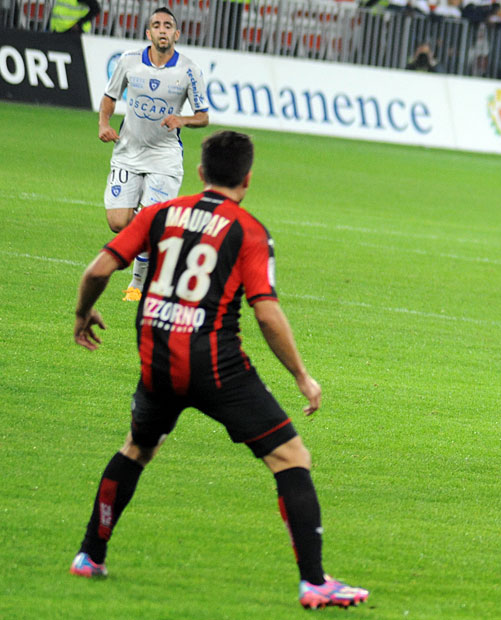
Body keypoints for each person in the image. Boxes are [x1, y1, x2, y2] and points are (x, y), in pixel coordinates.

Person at [68, 130, 370, 611]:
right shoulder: (248, 229)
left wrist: (83, 313)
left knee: (137, 448)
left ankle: (89, 554)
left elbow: (97, 272)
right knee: (291, 458)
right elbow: (266, 313)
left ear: (201, 172)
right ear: (247, 179)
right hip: (217, 366)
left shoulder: (159, 213)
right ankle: (314, 582)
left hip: (157, 361)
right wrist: (300, 376)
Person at [98, 6, 209, 302]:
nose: (162, 29)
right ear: (149, 33)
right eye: (157, 25)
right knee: (118, 222)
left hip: (165, 157)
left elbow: (203, 116)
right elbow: (110, 97)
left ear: (176, 33)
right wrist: (104, 124)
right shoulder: (129, 62)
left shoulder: (189, 70)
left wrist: (182, 119)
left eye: (168, 25)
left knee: (149, 218)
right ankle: (166, 237)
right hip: (128, 152)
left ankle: (137, 285)